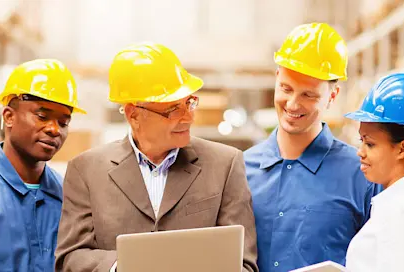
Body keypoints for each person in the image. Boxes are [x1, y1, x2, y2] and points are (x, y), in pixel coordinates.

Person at [54, 42, 259, 272]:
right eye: (173, 109)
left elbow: (244, 264)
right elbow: (70, 258)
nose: (188, 118)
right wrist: (125, 265)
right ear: (134, 115)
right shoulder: (86, 171)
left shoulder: (225, 165)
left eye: (189, 103)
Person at [243, 23, 382, 271]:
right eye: (286, 89)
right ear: (276, 79)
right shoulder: (240, 170)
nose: (293, 104)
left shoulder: (363, 173)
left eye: (308, 95)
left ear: (332, 95)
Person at [0, 59, 86, 271]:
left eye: (63, 122)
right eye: (42, 116)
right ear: (9, 117)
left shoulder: (67, 196)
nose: (54, 129)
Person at [345, 73, 404, 271]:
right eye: (361, 141)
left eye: (370, 144)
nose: (360, 152)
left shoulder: (402, 211)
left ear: (402, 149)